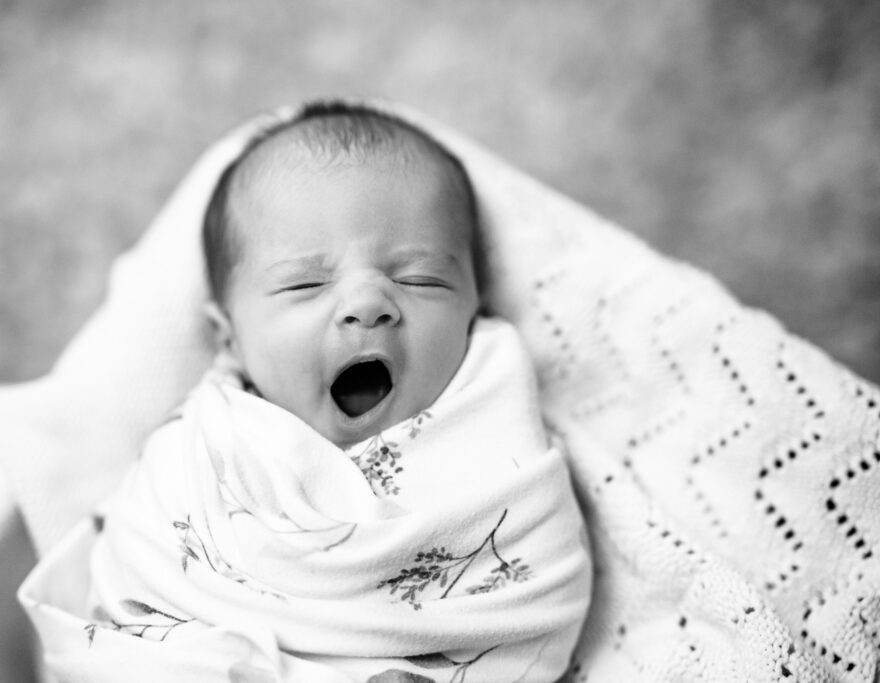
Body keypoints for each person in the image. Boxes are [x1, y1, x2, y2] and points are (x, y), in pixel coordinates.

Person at [29, 102, 591, 682]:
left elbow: (545, 592)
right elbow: (129, 592)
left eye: (418, 278)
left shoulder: (496, 420)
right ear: (231, 340)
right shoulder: (204, 449)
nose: (368, 302)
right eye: (306, 283)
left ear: (477, 308)